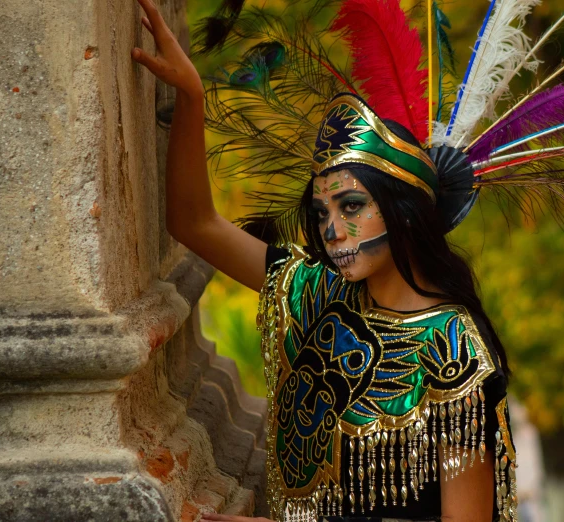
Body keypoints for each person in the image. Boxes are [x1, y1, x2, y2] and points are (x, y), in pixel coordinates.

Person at [131, 1, 517, 521]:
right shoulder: (314, 291)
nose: (332, 229)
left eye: (352, 206)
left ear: (403, 214)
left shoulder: (454, 350)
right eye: (321, 211)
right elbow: (195, 224)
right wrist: (193, 95)